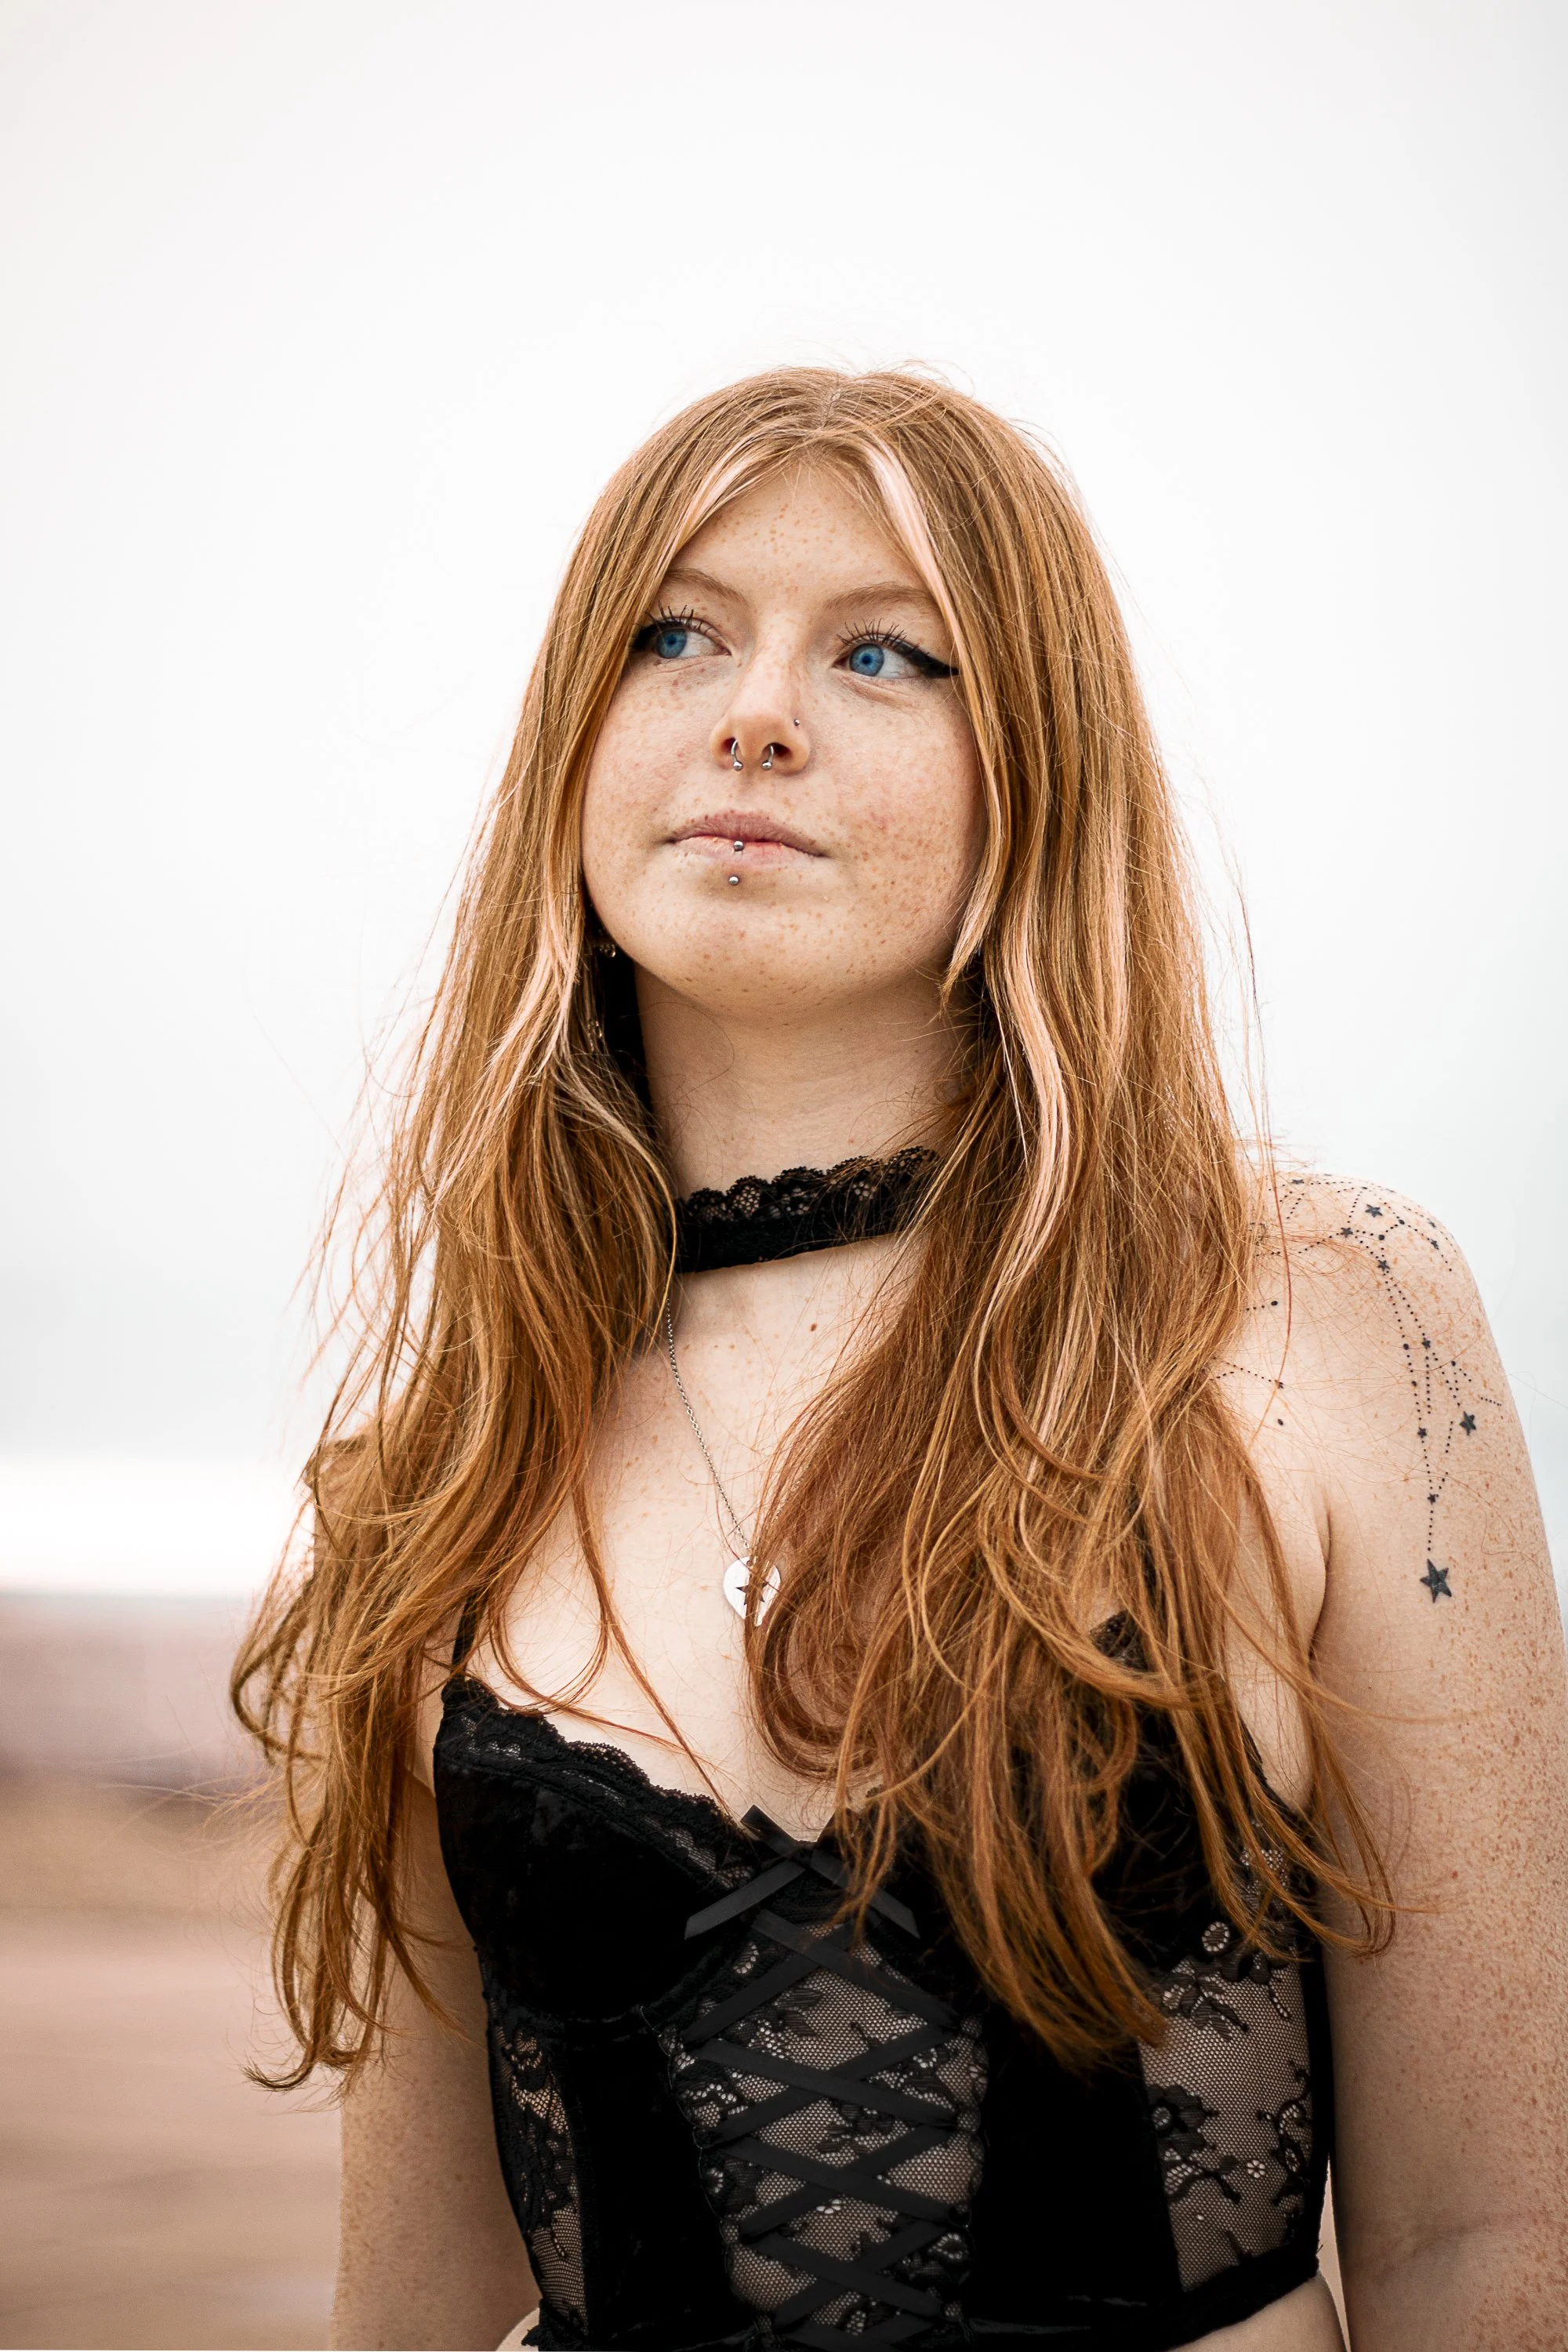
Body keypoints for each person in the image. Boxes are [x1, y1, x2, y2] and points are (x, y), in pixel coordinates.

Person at [234, 369, 1568, 2352]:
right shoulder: (454, 1457)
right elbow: (409, 2305)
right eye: (673, 634)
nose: (755, 711)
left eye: (884, 653)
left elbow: (1488, 2240)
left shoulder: (1320, 1318)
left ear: (1040, 769)